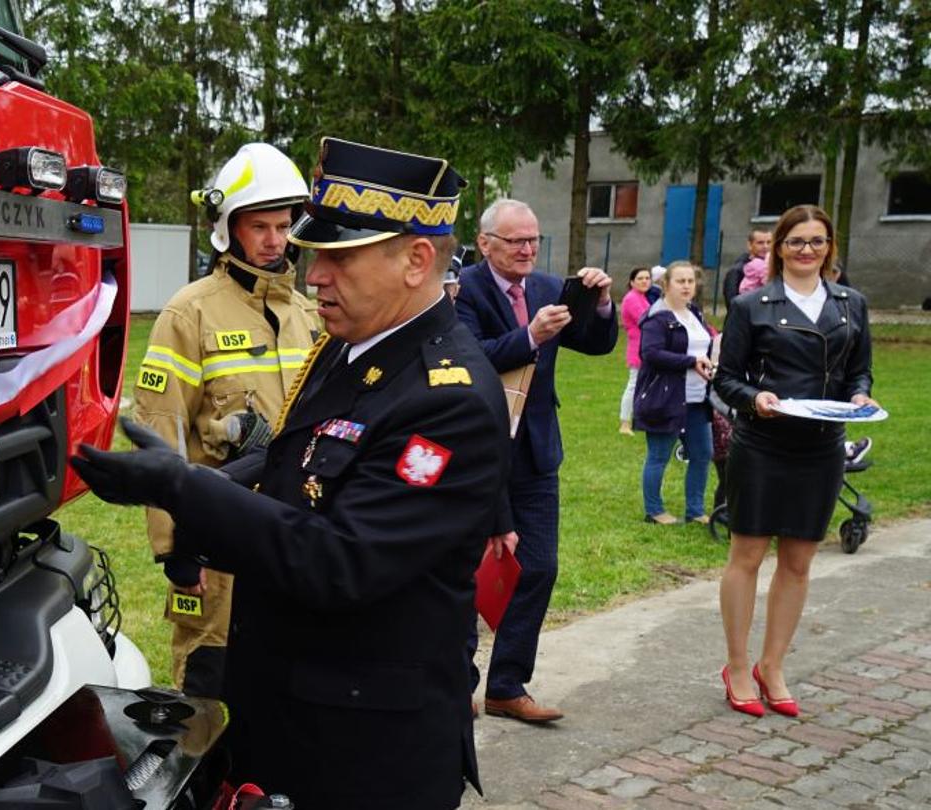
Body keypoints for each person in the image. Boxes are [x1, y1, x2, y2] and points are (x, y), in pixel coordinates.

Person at [71, 138, 505, 808]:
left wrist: (184, 487)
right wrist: (192, 518)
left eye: (339, 257)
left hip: (366, 753)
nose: (313, 276)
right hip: (293, 718)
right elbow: (289, 485)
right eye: (313, 255)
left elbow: (340, 561)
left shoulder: (446, 398)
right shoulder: (346, 348)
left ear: (418, 260)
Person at [132, 143, 322, 696]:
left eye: (283, 225)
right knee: (211, 678)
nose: (273, 240)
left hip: (293, 533)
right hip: (218, 536)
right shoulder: (188, 312)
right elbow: (158, 429)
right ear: (228, 228)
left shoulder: (307, 312)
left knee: (288, 676)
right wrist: (175, 548)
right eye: (258, 226)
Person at [456, 199, 617, 724]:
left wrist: (603, 303)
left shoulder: (548, 288)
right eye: (515, 241)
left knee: (540, 567)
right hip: (478, 454)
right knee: (464, 572)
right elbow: (469, 359)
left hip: (537, 453)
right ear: (485, 244)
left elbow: (595, 345)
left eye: (533, 240)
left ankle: (507, 685)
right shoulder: (464, 292)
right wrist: (530, 337)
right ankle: (457, 685)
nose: (527, 250)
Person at [712, 204, 876, 718]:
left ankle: (773, 664)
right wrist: (755, 400)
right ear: (779, 246)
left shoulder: (852, 304)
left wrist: (860, 398)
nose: (807, 250)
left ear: (830, 247)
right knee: (748, 554)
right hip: (763, 444)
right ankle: (737, 665)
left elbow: (859, 372)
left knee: (800, 562)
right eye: (797, 241)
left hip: (820, 446)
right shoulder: (751, 305)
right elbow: (726, 379)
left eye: (818, 241)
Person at [634, 261, 717, 525]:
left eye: (691, 281)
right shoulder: (657, 317)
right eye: (680, 281)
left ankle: (695, 510)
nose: (686, 286)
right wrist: (691, 362)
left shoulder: (693, 313)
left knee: (703, 454)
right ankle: (654, 510)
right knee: (659, 455)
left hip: (697, 397)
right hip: (666, 396)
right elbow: (651, 354)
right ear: (666, 284)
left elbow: (704, 343)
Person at [618, 266, 654, 435]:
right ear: (632, 282)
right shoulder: (632, 299)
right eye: (640, 278)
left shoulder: (642, 297)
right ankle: (624, 423)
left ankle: (641, 420)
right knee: (634, 385)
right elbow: (646, 320)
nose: (644, 281)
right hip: (638, 347)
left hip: (647, 345)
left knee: (645, 386)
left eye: (647, 278)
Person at [722, 228, 773, 305]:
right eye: (760, 243)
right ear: (750, 245)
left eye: (769, 242)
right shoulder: (737, 270)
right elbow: (732, 304)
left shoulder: (776, 266)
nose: (765, 246)